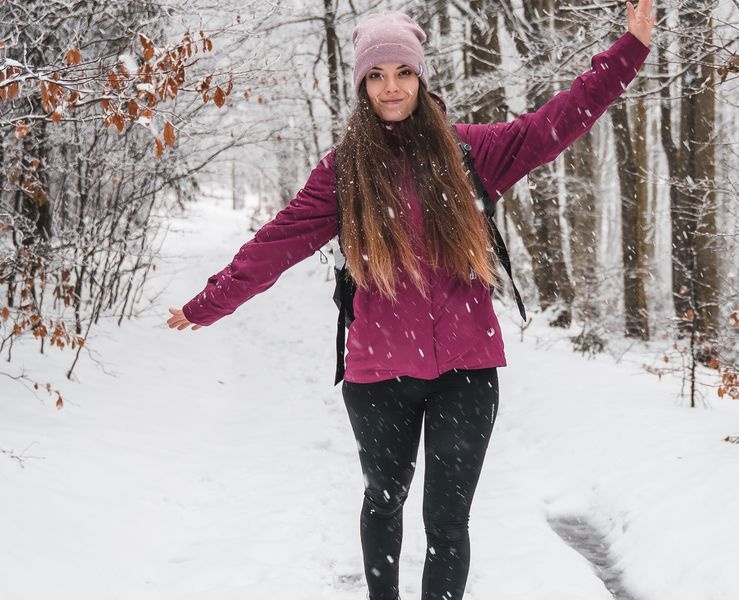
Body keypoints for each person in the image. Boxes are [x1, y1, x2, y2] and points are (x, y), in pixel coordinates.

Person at [168, 2, 654, 598]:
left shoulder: (469, 152)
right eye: (376, 75)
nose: (391, 87)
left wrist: (629, 49)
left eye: (402, 72)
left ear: (421, 76)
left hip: (466, 374)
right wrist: (209, 303)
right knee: (383, 501)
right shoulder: (344, 171)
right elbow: (277, 243)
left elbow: (560, 119)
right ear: (362, 85)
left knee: (447, 524)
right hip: (379, 375)